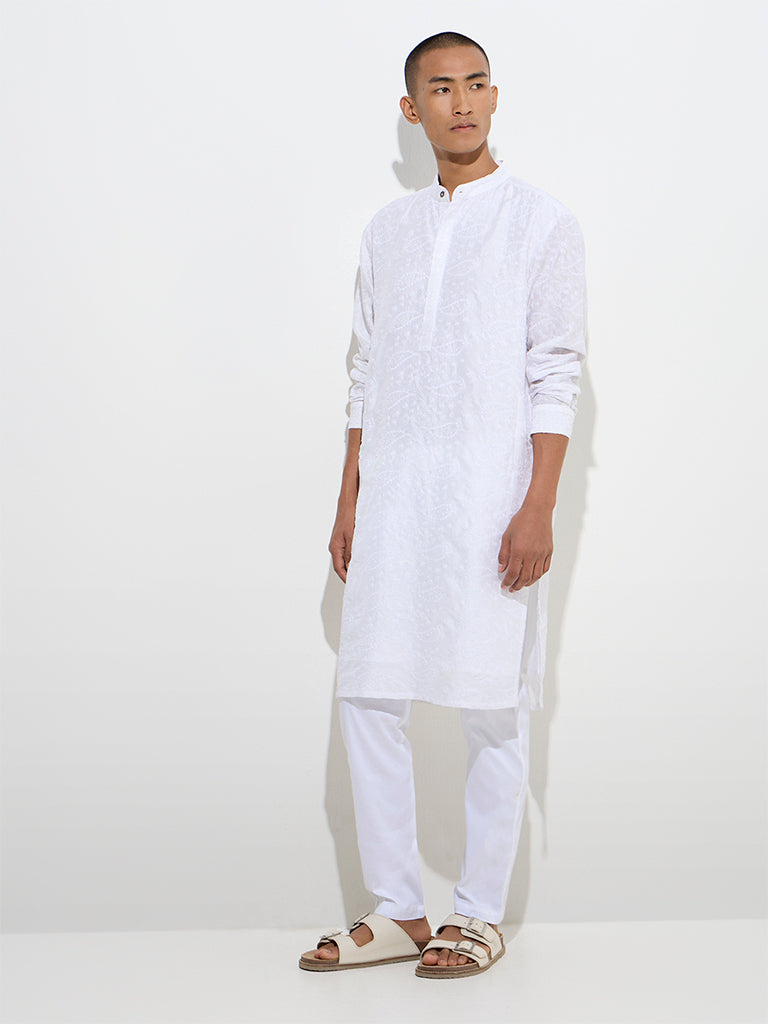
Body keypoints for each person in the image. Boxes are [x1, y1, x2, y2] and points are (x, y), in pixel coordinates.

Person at [299, 30, 587, 979]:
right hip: (394, 493)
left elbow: (555, 370)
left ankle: (480, 914)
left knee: (490, 698)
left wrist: (538, 503)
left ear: (495, 97)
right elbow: (366, 370)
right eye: (439, 88)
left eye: (475, 85)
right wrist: (350, 492)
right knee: (368, 690)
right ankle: (395, 909)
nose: (460, 103)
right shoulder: (388, 232)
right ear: (410, 108)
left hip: (490, 492)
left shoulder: (541, 223)